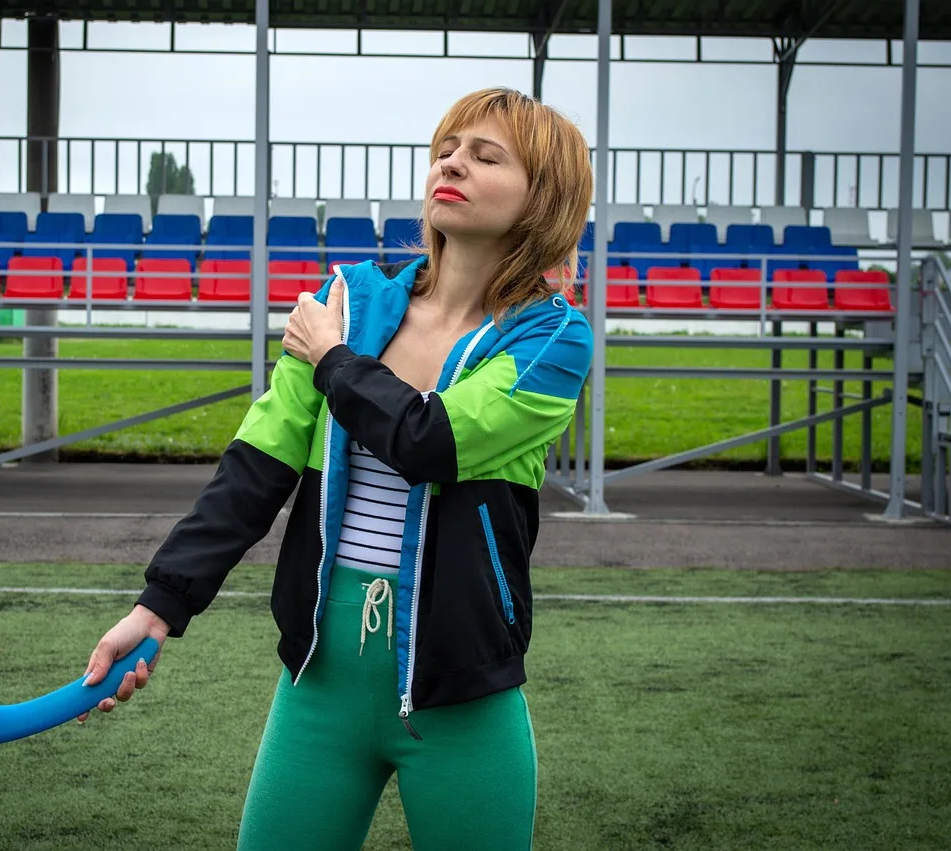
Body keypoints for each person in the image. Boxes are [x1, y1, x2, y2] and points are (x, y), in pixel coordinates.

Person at [78, 87, 594, 850]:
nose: (453, 161)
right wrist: (161, 603)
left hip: (464, 695)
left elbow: (428, 441)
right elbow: (257, 464)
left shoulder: (553, 340)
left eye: (486, 156)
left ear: (542, 199)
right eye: (447, 147)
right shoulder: (348, 300)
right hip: (319, 683)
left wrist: (331, 359)